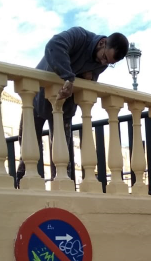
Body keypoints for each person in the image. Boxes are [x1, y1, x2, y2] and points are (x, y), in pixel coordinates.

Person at [15, 28, 129, 186]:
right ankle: (22, 189)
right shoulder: (79, 36)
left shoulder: (101, 63)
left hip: (64, 106)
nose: (103, 64)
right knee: (27, 150)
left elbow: (90, 79)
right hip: (37, 96)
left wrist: (88, 78)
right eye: (104, 57)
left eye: (108, 63)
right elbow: (54, 46)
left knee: (62, 157)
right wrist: (68, 76)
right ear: (102, 43)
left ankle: (62, 192)